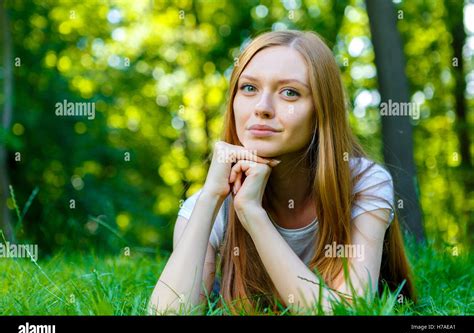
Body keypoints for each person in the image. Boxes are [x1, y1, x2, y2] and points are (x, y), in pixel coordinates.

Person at [149, 30, 416, 315]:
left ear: (322, 112)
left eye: (290, 93)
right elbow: (167, 313)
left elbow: (347, 312)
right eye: (249, 88)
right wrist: (211, 197)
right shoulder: (209, 207)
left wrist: (253, 215)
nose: (262, 108)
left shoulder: (363, 184)